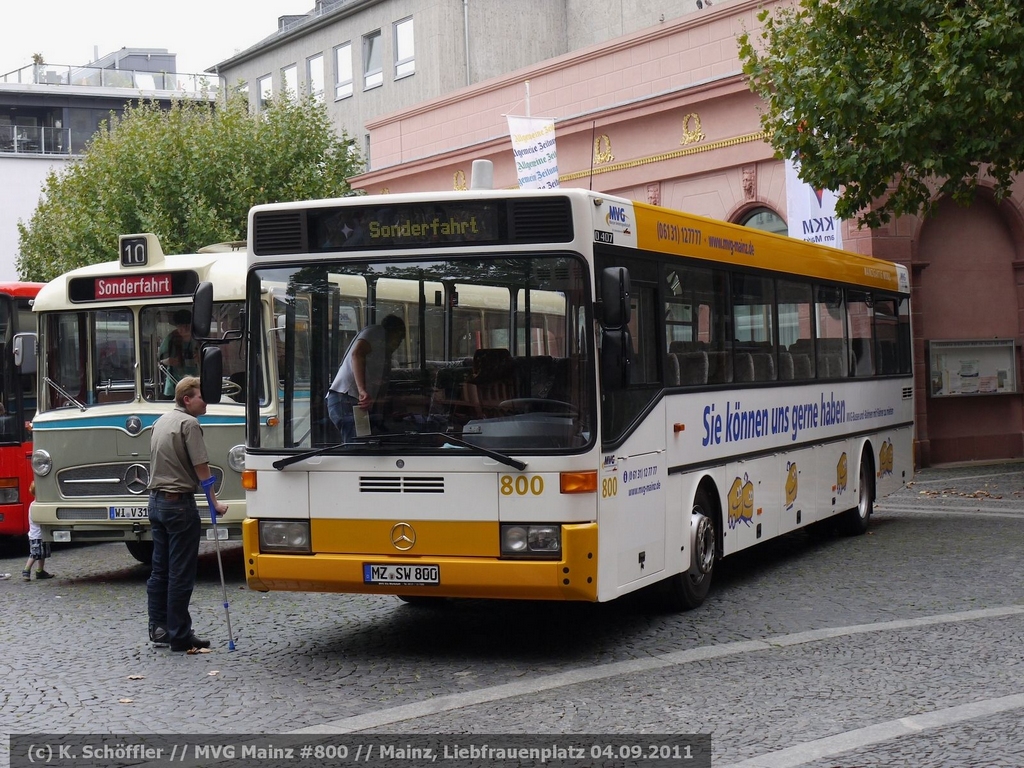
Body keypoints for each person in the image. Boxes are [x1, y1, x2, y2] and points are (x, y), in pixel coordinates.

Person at [146, 376, 228, 653]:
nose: (207, 401)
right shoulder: (189, 424)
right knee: (181, 573)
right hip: (178, 504)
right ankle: (180, 634)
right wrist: (214, 502)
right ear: (187, 399)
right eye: (202, 396)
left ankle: (159, 628)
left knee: (160, 571)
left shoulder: (162, 421)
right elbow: (201, 467)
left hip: (156, 502)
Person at [326, 315, 405, 442]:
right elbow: (357, 354)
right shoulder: (376, 332)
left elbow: (381, 388)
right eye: (399, 338)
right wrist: (362, 390)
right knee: (357, 449)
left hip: (357, 403)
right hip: (347, 398)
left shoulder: (384, 355)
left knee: (363, 445)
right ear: (393, 331)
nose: (399, 344)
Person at [159, 309, 199, 397]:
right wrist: (168, 361)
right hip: (174, 387)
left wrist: (200, 359)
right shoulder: (171, 339)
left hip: (197, 386)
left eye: (187, 325)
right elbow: (158, 361)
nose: (183, 329)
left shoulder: (200, 340)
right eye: (180, 326)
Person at [22, 509, 54, 580]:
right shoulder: (35, 506)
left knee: (42, 554)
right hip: (36, 535)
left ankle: (40, 571)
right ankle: (26, 570)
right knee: (35, 553)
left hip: (41, 534)